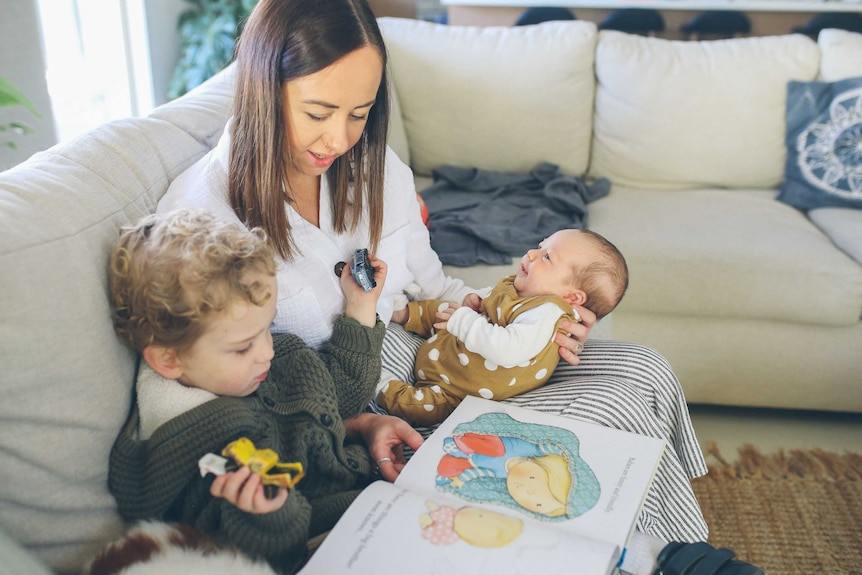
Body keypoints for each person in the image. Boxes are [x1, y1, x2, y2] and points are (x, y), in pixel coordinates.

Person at [157, 0, 709, 545]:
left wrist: (535, 317)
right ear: (263, 89)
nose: (340, 141)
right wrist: (352, 425)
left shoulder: (374, 170)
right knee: (587, 433)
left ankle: (664, 552)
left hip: (441, 345)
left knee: (642, 370)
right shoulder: (205, 218)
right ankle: (643, 556)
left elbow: (435, 286)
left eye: (360, 112)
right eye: (319, 113)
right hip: (369, 398)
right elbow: (203, 382)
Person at [106, 209, 422, 574]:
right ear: (167, 360)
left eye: (266, 328)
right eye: (242, 347)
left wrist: (361, 307)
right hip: (330, 539)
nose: (267, 351)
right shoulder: (189, 448)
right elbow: (257, 558)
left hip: (381, 488)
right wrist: (268, 515)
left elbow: (343, 392)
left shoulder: (272, 361)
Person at [377, 228, 628, 426]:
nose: (531, 253)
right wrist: (475, 301)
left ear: (571, 298)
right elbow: (494, 302)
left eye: (547, 257)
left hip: (459, 389)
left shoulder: (548, 312)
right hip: (455, 348)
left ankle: (380, 386)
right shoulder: (526, 289)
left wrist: (465, 320)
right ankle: (402, 313)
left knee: (422, 408)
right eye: (541, 246)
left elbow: (508, 348)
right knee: (443, 309)